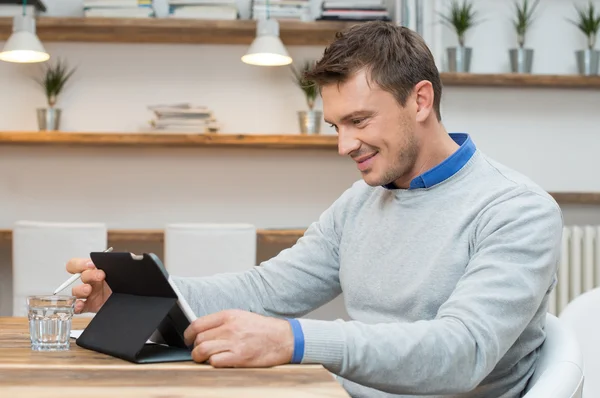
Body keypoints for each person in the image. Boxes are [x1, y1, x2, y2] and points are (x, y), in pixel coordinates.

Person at [66, 21, 563, 398]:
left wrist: (295, 341)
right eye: (335, 126)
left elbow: (464, 351)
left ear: (421, 100)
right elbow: (269, 290)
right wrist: (141, 293)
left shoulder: (516, 210)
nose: (345, 145)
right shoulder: (362, 202)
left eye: (359, 120)